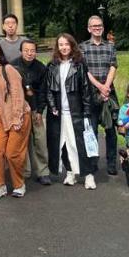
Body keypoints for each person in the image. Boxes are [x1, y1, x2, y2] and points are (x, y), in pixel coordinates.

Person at [46, 33, 96, 190]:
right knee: (63, 144)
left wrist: (87, 112)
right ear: (57, 47)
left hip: (77, 113)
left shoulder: (79, 65)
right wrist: (53, 106)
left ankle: (88, 175)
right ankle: (70, 173)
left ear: (72, 45)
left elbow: (87, 90)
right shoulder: (52, 66)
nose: (64, 47)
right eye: (61, 44)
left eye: (66, 44)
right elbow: (49, 90)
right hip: (58, 114)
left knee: (81, 144)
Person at [0, 40, 31, 198]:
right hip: (0, 119)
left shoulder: (8, 69)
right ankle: (0, 186)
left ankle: (19, 184)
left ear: (0, 53)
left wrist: (18, 117)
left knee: (12, 153)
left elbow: (18, 94)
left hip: (17, 116)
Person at [79, 15, 119, 175]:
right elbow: (84, 70)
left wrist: (106, 87)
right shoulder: (83, 47)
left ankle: (111, 163)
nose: (97, 28)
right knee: (92, 129)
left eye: (99, 25)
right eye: (94, 26)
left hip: (109, 92)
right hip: (91, 93)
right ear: (89, 28)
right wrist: (99, 87)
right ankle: (93, 162)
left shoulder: (110, 46)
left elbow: (113, 66)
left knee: (111, 130)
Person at [11, 39, 51, 186]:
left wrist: (40, 110)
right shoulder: (12, 66)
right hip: (19, 110)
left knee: (40, 140)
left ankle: (43, 171)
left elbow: (43, 91)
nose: (29, 53)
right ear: (21, 51)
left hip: (35, 109)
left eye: (32, 50)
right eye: (26, 50)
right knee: (23, 141)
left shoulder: (41, 68)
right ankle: (24, 171)